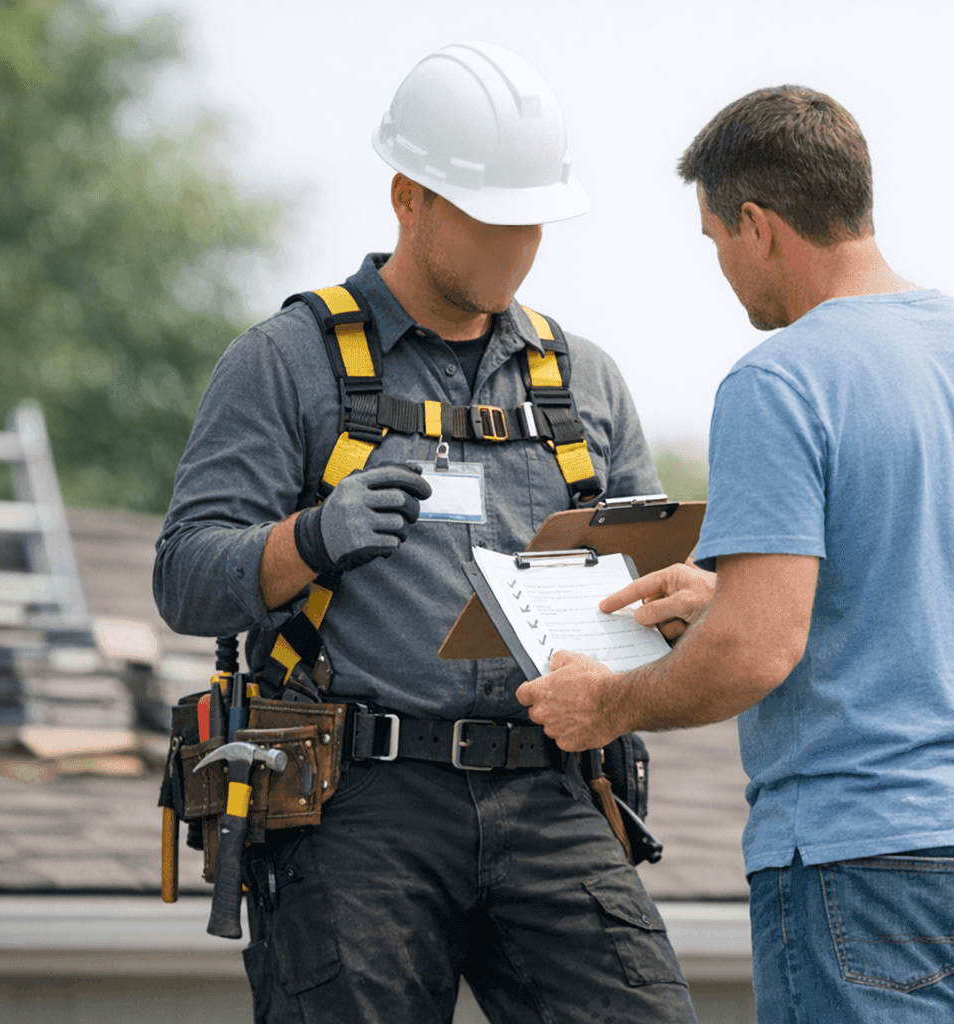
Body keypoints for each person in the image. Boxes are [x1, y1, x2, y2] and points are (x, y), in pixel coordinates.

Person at [517, 85, 954, 1024]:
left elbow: (760, 653)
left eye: (715, 239)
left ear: (757, 224)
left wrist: (605, 705)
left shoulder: (782, 378)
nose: (720, 264)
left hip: (866, 865)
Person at [153, 43, 697, 1024]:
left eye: (531, 218)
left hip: (549, 789)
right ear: (409, 196)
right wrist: (311, 538)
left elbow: (649, 595)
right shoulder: (287, 363)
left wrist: (678, 608)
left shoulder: (584, 382)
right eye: (490, 217)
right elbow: (186, 578)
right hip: (360, 803)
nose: (515, 244)